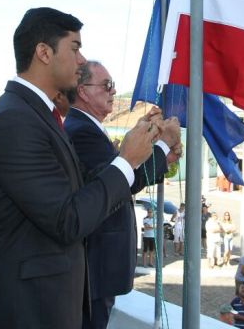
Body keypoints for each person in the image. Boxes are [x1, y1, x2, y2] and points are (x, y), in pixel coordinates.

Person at [0, 7, 159, 328]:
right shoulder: (15, 120)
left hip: (48, 297)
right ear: (44, 53)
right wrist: (126, 160)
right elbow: (67, 219)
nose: (82, 60)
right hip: (28, 306)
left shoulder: (36, 114)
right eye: (75, 48)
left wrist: (136, 155)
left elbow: (80, 187)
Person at [63, 60, 180, 328]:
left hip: (97, 264)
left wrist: (151, 143)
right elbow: (123, 182)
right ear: (83, 91)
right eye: (107, 85)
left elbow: (122, 172)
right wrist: (163, 143)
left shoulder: (88, 127)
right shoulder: (83, 131)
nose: (114, 91)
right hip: (96, 263)